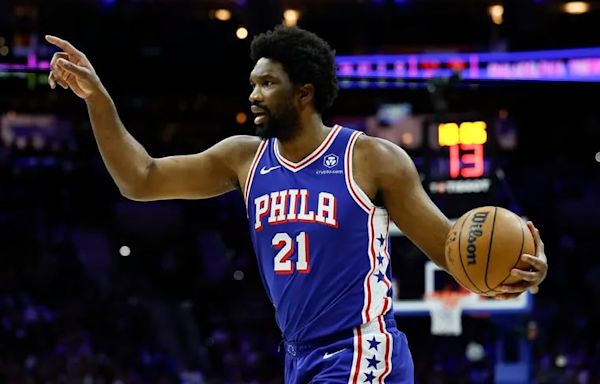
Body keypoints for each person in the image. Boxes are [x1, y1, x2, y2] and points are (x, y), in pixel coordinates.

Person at [45, 26, 548, 383]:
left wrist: (515, 270)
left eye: (268, 84)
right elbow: (142, 178)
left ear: (304, 93)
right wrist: (97, 100)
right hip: (299, 358)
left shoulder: (370, 159)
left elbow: (449, 246)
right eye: (253, 83)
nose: (254, 94)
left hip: (361, 350)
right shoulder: (243, 159)